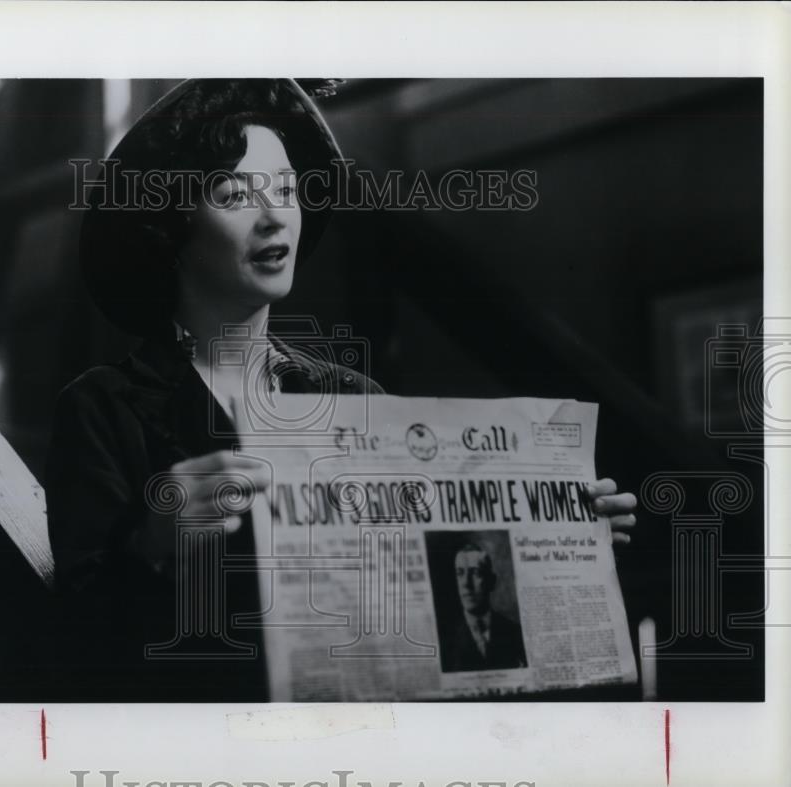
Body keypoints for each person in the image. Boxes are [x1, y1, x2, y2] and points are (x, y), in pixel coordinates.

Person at [44, 79, 637, 701]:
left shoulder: (355, 398)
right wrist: (154, 544)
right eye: (234, 193)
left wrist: (559, 543)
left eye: (287, 189)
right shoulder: (105, 409)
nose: (274, 215)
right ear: (172, 223)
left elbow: (437, 602)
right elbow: (77, 656)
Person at [438, 542, 527, 673]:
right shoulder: (444, 639)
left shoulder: (516, 633)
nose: (466, 583)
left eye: (476, 573)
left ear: (491, 581)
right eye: (460, 573)